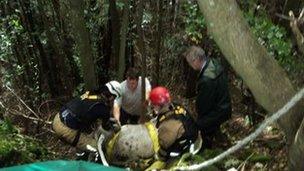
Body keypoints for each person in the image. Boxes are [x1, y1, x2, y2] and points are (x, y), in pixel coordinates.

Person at [52, 81, 121, 154]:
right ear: (111, 95)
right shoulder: (102, 108)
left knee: (89, 133)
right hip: (65, 129)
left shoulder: (90, 92)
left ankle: (81, 150)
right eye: (115, 97)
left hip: (58, 117)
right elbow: (106, 127)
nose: (113, 100)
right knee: (99, 149)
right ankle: (82, 160)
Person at [184, 46, 232, 149]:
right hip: (225, 105)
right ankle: (218, 137)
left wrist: (198, 118)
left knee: (195, 127)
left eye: (190, 63)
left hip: (220, 111)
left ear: (196, 60)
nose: (190, 66)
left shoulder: (207, 80)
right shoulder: (213, 62)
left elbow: (204, 107)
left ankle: (207, 149)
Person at [146, 86, 198, 170]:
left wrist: (154, 159)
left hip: (181, 152)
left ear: (158, 105)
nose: (153, 108)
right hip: (194, 140)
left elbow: (164, 148)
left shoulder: (167, 126)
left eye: (153, 105)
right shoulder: (176, 106)